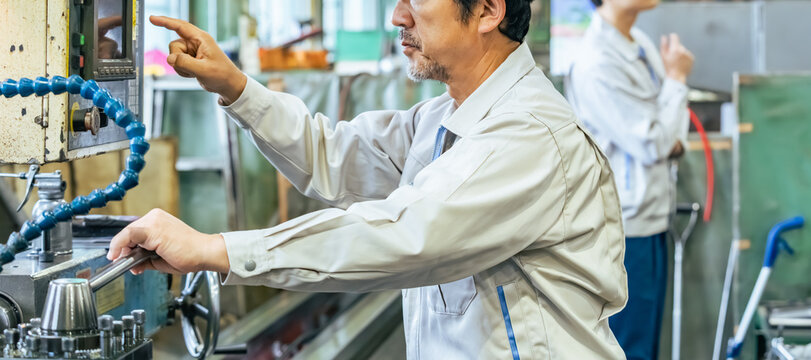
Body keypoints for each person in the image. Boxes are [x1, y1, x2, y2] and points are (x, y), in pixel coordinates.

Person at [109, 0, 628, 358]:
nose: (397, 16)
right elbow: (333, 154)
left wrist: (217, 249)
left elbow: (403, 235)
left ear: (489, 11)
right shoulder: (444, 120)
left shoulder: (530, 136)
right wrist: (239, 89)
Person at [565, 0, 694, 359]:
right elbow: (655, 142)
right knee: (628, 346)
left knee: (645, 341)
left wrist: (669, 136)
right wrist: (678, 79)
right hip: (625, 229)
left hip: (650, 218)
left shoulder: (638, 42)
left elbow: (664, 135)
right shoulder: (597, 61)